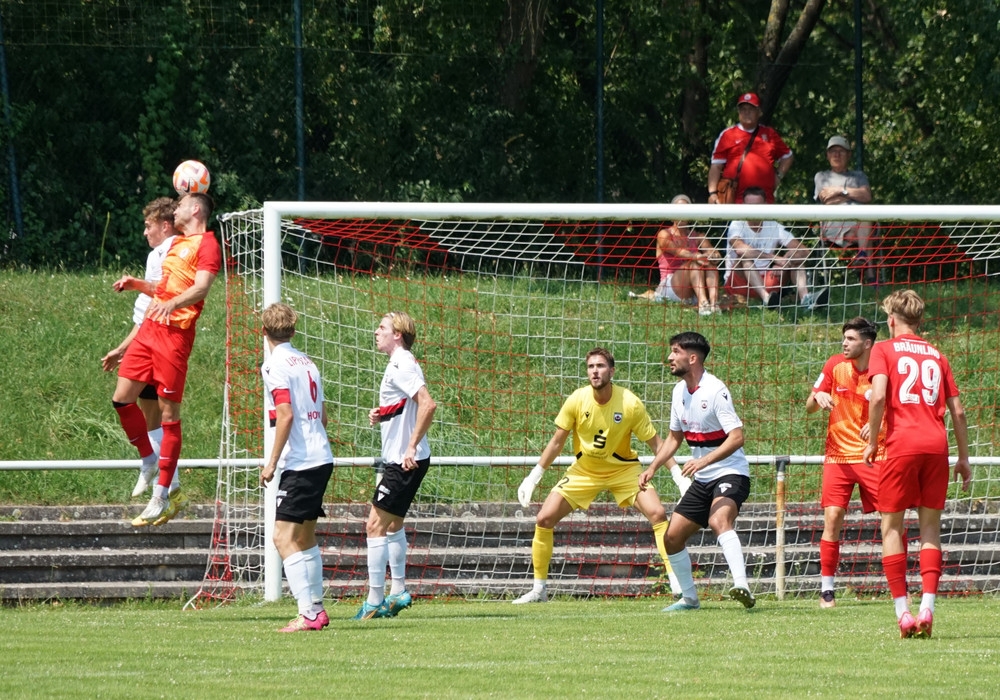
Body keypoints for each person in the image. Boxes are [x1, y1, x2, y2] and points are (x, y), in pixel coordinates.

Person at [513, 347, 692, 604]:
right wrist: (534, 477)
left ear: (612, 371)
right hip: (584, 471)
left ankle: (676, 580)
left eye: (600, 366)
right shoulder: (577, 399)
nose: (595, 371)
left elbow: (656, 443)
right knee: (544, 518)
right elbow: (556, 442)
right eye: (591, 367)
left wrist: (678, 476)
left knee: (658, 513)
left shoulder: (629, 403)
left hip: (623, 470)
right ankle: (539, 590)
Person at [864, 290, 971, 639]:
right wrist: (963, 458)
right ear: (920, 320)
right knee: (930, 529)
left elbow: (879, 396)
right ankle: (927, 607)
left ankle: (903, 613)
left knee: (891, 527)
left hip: (902, 445)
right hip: (936, 446)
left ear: (891, 319)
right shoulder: (938, 355)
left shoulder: (884, 350)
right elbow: (958, 411)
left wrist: (872, 439)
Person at [111, 192, 221, 527]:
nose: (176, 210)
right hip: (150, 330)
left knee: (169, 415)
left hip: (175, 336)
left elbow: (201, 288)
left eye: (182, 204)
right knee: (121, 399)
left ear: (196, 209)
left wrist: (172, 304)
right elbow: (163, 287)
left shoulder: (208, 244)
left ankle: (161, 496)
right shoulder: (176, 244)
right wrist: (137, 285)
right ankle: (148, 458)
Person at [639, 331, 755, 611]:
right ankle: (690, 599)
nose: (669, 357)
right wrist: (653, 467)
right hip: (702, 480)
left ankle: (742, 585)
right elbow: (673, 438)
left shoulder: (715, 390)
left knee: (719, 520)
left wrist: (704, 461)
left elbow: (737, 437)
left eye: (675, 352)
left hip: (731, 473)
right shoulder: (678, 392)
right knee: (671, 538)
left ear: (692, 358)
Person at [355, 311, 437, 620]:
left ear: (397, 334)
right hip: (406, 460)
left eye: (382, 327)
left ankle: (374, 601)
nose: (376, 332)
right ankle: (398, 590)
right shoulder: (401, 363)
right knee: (392, 525)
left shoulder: (401, 363)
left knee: (374, 526)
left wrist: (411, 446)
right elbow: (408, 405)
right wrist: (384, 413)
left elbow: (428, 404)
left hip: (404, 462)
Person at [259, 303, 334, 632]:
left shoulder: (274, 365)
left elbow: (285, 414)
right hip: (321, 456)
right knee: (304, 538)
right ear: (293, 329)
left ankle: (309, 612)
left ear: (264, 331)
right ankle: (316, 608)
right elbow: (323, 415)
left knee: (282, 537)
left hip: (301, 463)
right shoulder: (307, 362)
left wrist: (272, 462)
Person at [101, 197, 180, 499]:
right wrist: (122, 349)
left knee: (158, 412)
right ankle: (152, 464)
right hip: (146, 336)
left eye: (148, 226)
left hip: (163, 340)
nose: (145, 232)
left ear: (165, 225)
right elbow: (147, 309)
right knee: (137, 406)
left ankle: (168, 483)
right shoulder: (155, 255)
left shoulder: (173, 251)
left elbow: (161, 301)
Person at [806, 317, 885, 608]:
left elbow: (896, 406)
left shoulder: (883, 369)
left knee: (891, 519)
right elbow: (809, 407)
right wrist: (818, 396)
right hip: (838, 456)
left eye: (851, 339)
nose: (844, 343)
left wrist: (878, 426)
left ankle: (899, 585)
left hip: (874, 454)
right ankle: (827, 590)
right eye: (844, 338)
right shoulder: (834, 365)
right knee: (832, 517)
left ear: (867, 343)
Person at [724, 186, 827, 311]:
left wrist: (786, 262)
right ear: (743, 206)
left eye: (757, 206)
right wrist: (774, 258)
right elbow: (740, 249)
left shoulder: (773, 226)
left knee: (797, 259)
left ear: (765, 206)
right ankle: (766, 299)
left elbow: (804, 251)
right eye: (749, 206)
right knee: (745, 257)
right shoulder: (737, 224)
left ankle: (806, 300)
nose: (753, 210)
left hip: (768, 280)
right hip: (738, 283)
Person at [629, 193, 723, 316]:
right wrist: (697, 256)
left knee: (709, 263)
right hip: (670, 287)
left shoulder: (699, 236)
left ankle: (714, 305)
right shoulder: (664, 234)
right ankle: (703, 304)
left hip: (694, 288)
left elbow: (712, 251)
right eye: (679, 210)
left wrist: (714, 255)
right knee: (694, 263)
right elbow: (678, 251)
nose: (682, 213)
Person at [707, 92, 793, 204]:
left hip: (764, 200)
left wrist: (778, 177)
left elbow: (787, 157)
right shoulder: (727, 135)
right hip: (735, 200)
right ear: (738, 112)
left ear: (759, 112)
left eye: (751, 109)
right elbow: (716, 166)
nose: (747, 112)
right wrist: (712, 193)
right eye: (743, 109)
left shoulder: (770, 134)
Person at [814, 135, 878, 283]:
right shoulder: (821, 176)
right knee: (866, 226)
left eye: (841, 151)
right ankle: (870, 276)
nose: (836, 155)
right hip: (833, 225)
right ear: (827, 155)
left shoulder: (859, 176)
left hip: (859, 224)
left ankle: (862, 258)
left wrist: (839, 191)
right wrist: (854, 195)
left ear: (849, 155)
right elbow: (827, 200)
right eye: (833, 151)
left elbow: (867, 196)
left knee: (865, 220)